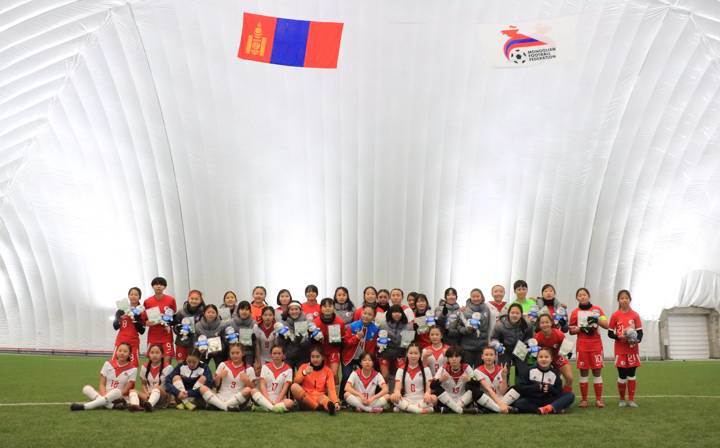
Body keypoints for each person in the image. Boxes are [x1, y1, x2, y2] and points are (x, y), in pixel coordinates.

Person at [569, 287, 609, 408]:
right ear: (577, 298)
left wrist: (596, 318)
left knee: (597, 372)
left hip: (596, 345)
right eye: (580, 295)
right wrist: (579, 329)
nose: (582, 297)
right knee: (583, 372)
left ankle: (598, 400)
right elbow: (571, 331)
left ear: (589, 296)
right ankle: (584, 400)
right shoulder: (575, 312)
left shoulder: (597, 310)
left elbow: (606, 325)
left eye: (584, 294)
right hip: (582, 346)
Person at [70, 342, 139, 411]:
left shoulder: (133, 369)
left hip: (119, 397)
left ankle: (85, 407)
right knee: (86, 388)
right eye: (120, 350)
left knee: (116, 391)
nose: (122, 353)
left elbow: (125, 390)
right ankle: (112, 406)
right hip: (105, 395)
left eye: (125, 351)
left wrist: (116, 397)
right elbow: (102, 384)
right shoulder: (108, 364)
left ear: (130, 354)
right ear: (116, 352)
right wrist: (104, 396)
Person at [608, 289, 643, 408]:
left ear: (630, 299)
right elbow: (609, 333)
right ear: (618, 300)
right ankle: (622, 399)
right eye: (622, 298)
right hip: (620, 350)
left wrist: (636, 339)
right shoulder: (615, 315)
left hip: (632, 349)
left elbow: (640, 333)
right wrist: (619, 336)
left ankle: (631, 400)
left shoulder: (635, 315)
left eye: (626, 298)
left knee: (631, 374)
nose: (624, 300)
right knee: (622, 374)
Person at [513, 347, 575, 414]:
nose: (543, 359)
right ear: (537, 359)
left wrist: (550, 388)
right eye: (541, 357)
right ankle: (546, 409)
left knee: (570, 395)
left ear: (551, 359)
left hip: (548, 400)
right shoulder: (529, 370)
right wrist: (535, 387)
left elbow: (558, 392)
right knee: (519, 403)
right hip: (532, 400)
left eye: (546, 357)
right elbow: (520, 387)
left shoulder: (555, 373)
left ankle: (548, 408)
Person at [341, 305, 380, 398]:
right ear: (361, 313)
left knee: (371, 376)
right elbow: (346, 343)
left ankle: (372, 397)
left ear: (374, 317)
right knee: (347, 376)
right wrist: (356, 337)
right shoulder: (352, 326)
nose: (366, 316)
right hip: (349, 356)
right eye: (364, 313)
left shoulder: (375, 329)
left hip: (364, 357)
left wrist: (370, 359)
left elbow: (372, 347)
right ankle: (342, 398)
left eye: (370, 314)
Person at [203, 343, 255, 411]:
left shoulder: (249, 369)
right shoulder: (223, 365)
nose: (235, 355)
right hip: (221, 396)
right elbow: (215, 385)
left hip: (237, 398)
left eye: (237, 353)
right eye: (232, 353)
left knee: (247, 390)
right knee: (203, 388)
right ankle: (227, 407)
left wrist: (247, 381)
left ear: (243, 353)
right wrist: (219, 376)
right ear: (229, 354)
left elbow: (253, 389)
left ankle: (220, 405)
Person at [290, 346, 340, 415]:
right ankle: (316, 407)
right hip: (306, 397)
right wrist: (304, 373)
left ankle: (330, 407)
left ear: (322, 357)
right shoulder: (304, 367)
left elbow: (331, 388)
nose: (315, 359)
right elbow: (296, 381)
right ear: (310, 358)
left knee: (325, 400)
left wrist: (335, 402)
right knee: (294, 387)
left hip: (320, 396)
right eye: (313, 357)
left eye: (317, 357)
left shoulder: (328, 371)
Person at [490, 302, 533, 380]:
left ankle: (520, 390)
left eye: (517, 313)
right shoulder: (500, 325)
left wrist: (529, 343)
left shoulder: (527, 324)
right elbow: (493, 338)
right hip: (505, 349)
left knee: (523, 372)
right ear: (508, 313)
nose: (515, 315)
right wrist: (497, 345)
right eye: (512, 312)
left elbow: (529, 337)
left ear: (521, 314)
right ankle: (503, 389)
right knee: (503, 372)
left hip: (521, 349)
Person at [389, 343, 436, 413]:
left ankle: (406, 408)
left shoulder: (426, 369)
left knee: (434, 398)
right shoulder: (401, 370)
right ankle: (418, 410)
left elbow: (428, 387)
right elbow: (397, 388)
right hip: (407, 399)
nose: (413, 356)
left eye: (416, 353)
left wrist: (427, 393)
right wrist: (397, 392)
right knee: (392, 397)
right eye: (411, 353)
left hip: (422, 399)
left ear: (420, 355)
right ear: (407, 354)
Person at [429, 346, 474, 414]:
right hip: (447, 399)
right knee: (437, 389)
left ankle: (449, 410)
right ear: (448, 358)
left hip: (462, 398)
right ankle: (461, 410)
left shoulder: (466, 367)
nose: (454, 359)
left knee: (474, 390)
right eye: (451, 357)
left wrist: (469, 380)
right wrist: (440, 379)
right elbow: (432, 385)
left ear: (461, 357)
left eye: (456, 356)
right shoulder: (443, 368)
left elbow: (477, 384)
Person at [534, 313, 573, 392]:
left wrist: (569, 352)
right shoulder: (537, 337)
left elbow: (567, 348)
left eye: (547, 322)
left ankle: (565, 396)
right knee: (550, 381)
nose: (545, 324)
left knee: (569, 378)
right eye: (542, 323)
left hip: (557, 357)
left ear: (551, 323)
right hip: (545, 360)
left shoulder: (559, 334)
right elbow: (535, 353)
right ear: (539, 324)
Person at [143, 276, 177, 363]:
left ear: (165, 287)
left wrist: (169, 323)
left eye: (161, 284)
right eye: (156, 284)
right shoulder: (147, 301)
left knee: (167, 362)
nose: (158, 286)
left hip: (166, 335)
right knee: (153, 361)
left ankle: (165, 377)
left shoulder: (171, 300)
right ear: (152, 286)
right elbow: (143, 320)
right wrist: (147, 323)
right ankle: (153, 376)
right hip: (153, 335)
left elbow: (173, 316)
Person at [470, 345, 513, 413]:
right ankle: (502, 409)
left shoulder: (500, 370)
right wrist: (501, 405)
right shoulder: (477, 371)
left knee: (516, 388)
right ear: (482, 357)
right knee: (476, 394)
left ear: (495, 357)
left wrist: (504, 377)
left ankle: (492, 409)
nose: (489, 357)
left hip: (501, 399)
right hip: (487, 400)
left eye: (491, 355)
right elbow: (489, 389)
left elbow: (502, 391)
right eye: (486, 355)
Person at [378, 304, 413, 386]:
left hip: (401, 353)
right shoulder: (383, 324)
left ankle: (399, 392)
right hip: (386, 353)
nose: (397, 314)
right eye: (394, 312)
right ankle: (385, 393)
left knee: (401, 376)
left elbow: (407, 344)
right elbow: (380, 342)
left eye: (399, 312)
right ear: (390, 313)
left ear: (402, 314)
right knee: (385, 376)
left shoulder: (408, 326)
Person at [312, 298, 346, 384]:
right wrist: (315, 339)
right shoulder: (315, 322)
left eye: (330, 306)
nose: (327, 308)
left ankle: (335, 395)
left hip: (334, 351)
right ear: (321, 308)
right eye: (325, 306)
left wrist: (339, 342)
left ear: (333, 307)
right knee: (323, 375)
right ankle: (324, 395)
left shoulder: (340, 322)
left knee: (333, 374)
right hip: (320, 351)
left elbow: (343, 338)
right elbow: (311, 339)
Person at [256, 345, 295, 412]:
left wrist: (277, 401)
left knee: (290, 403)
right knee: (253, 391)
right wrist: (268, 400)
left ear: (283, 355)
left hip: (280, 399)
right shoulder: (265, 367)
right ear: (271, 355)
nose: (276, 356)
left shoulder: (288, 369)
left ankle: (268, 408)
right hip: (266, 398)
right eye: (274, 353)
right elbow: (262, 386)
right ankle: (274, 408)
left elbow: (284, 389)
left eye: (279, 353)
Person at [458, 288, 491, 367]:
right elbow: (459, 327)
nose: (476, 298)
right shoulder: (465, 310)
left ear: (482, 297)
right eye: (473, 297)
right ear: (470, 297)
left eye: (478, 296)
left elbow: (488, 326)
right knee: (467, 372)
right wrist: (466, 330)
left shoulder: (487, 309)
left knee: (479, 373)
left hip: (482, 348)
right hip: (467, 348)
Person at [112, 287, 145, 367]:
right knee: (115, 364)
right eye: (131, 294)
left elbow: (142, 331)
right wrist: (121, 317)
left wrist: (135, 320)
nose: (133, 296)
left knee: (133, 366)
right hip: (121, 341)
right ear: (128, 296)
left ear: (139, 297)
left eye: (136, 295)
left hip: (133, 343)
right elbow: (115, 326)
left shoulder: (141, 311)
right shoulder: (121, 310)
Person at [138, 343, 174, 411]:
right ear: (149, 354)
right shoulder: (144, 367)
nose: (154, 355)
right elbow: (143, 384)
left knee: (156, 388)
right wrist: (146, 393)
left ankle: (149, 404)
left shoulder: (168, 368)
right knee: (132, 391)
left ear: (162, 355)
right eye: (152, 353)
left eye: (157, 353)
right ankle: (136, 406)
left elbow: (170, 386)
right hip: (148, 395)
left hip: (163, 397)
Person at [277, 300, 312, 370]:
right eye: (291, 309)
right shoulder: (283, 322)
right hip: (288, 356)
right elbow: (280, 343)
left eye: (296, 309)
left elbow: (309, 343)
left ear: (300, 310)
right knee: (288, 378)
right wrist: (282, 337)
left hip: (303, 356)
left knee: (303, 378)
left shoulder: (306, 321)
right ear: (288, 311)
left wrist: (304, 339)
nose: (294, 311)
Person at [173, 289, 205, 362]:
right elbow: (174, 326)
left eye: (196, 299)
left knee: (195, 364)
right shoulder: (181, 311)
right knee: (181, 364)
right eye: (192, 298)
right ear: (188, 299)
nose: (194, 301)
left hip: (196, 343)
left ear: (200, 300)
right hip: (182, 342)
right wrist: (178, 329)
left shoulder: (204, 312)